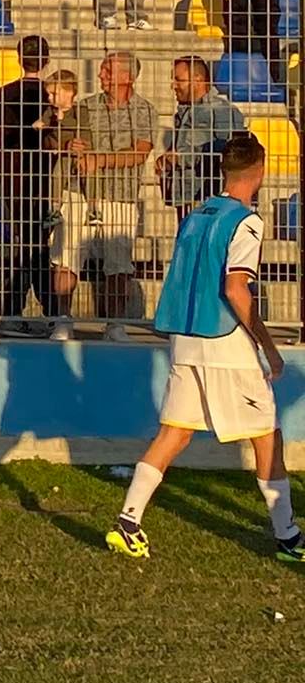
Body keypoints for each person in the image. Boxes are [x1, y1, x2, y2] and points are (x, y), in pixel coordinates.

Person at [108, 132, 303, 566]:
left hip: (184, 339)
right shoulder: (247, 221)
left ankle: (129, 521)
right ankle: (288, 536)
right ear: (260, 170)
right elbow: (236, 289)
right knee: (266, 435)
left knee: (175, 432)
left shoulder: (196, 214)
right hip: (224, 343)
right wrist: (268, 348)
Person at [49, 52, 155, 344]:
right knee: (66, 257)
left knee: (118, 263)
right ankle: (62, 318)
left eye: (108, 71)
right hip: (78, 189)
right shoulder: (86, 106)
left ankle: (115, 322)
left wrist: (100, 160)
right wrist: (69, 142)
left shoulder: (144, 110)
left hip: (120, 194)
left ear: (127, 77)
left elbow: (140, 150)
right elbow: (57, 137)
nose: (101, 76)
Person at [0, 35, 60, 337]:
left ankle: (24, 308)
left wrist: (2, 165)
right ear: (46, 60)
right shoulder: (51, 95)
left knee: (28, 243)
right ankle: (44, 309)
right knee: (36, 244)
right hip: (44, 177)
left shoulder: (4, 94)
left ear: (19, 58)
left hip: (14, 175)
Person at [158, 56, 247, 221]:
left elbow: (230, 152)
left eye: (179, 80)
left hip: (207, 197)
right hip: (186, 196)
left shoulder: (221, 111)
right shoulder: (184, 112)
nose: (173, 86)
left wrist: (182, 158)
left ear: (197, 80)